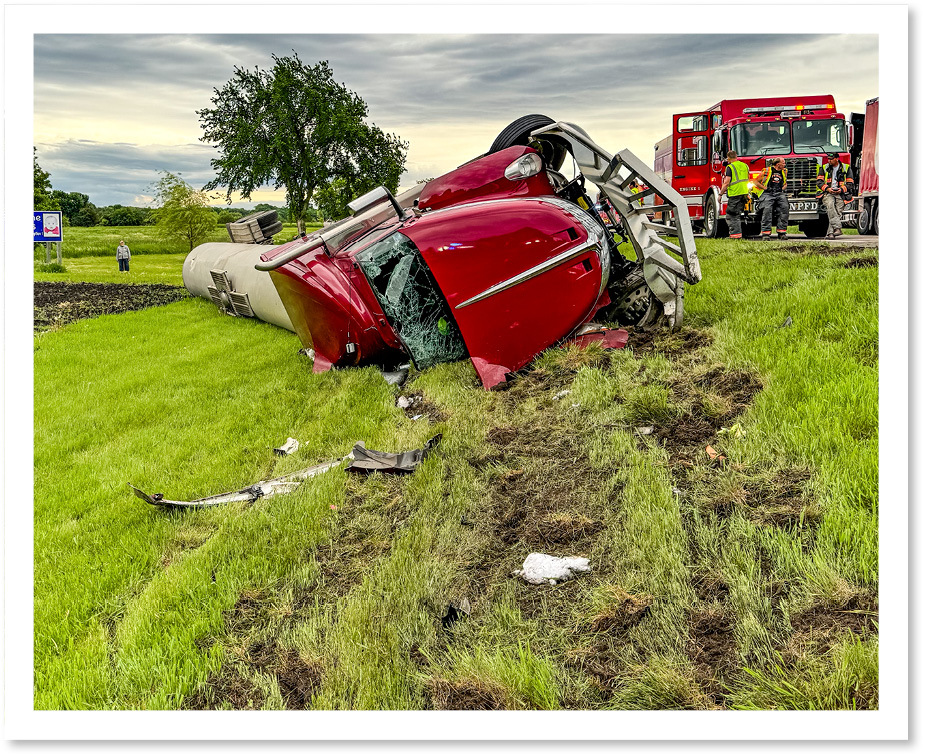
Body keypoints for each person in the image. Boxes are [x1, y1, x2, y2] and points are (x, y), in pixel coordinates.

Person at [817, 153, 851, 239]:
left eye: (831, 159)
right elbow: (819, 182)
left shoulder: (846, 168)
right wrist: (828, 189)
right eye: (828, 159)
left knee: (838, 210)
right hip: (827, 193)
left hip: (841, 194)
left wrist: (841, 189)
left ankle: (830, 233)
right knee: (830, 205)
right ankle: (837, 228)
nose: (829, 161)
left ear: (837, 159)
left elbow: (850, 183)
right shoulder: (824, 168)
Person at [753, 157, 789, 240]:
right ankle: (766, 234)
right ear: (777, 164)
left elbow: (785, 183)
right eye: (783, 163)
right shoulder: (766, 171)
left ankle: (782, 232)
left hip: (779, 193)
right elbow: (755, 181)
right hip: (767, 193)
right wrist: (764, 188)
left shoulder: (784, 171)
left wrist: (782, 188)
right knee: (767, 210)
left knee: (785, 208)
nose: (784, 164)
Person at [720, 150, 749, 239]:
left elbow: (726, 182)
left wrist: (720, 194)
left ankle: (735, 235)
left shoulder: (730, 167)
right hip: (744, 193)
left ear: (728, 158)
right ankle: (737, 234)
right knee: (738, 214)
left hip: (735, 193)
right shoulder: (745, 165)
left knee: (731, 214)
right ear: (736, 156)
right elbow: (748, 179)